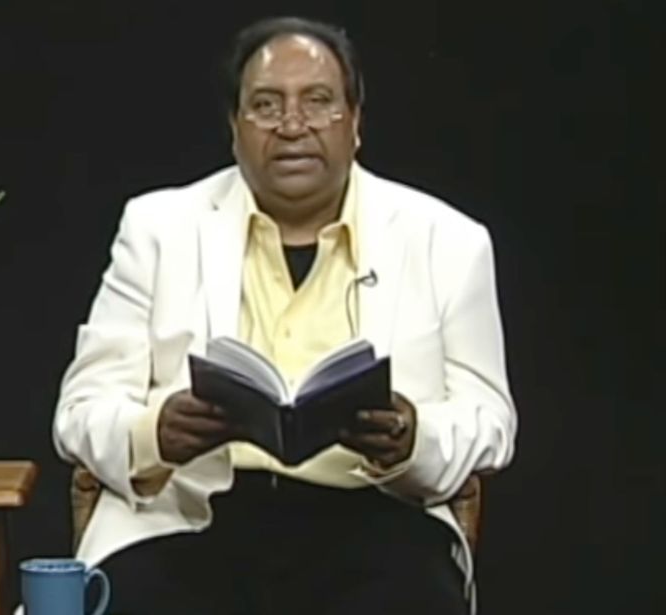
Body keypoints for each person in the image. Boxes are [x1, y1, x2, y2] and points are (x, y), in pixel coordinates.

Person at [52, 15, 517, 615]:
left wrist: (411, 436)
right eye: (266, 106)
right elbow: (80, 411)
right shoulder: (159, 228)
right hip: (193, 522)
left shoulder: (448, 240)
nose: (293, 126)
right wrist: (154, 434)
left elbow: (491, 419)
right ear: (234, 127)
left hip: (377, 521)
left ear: (355, 122)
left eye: (318, 102)